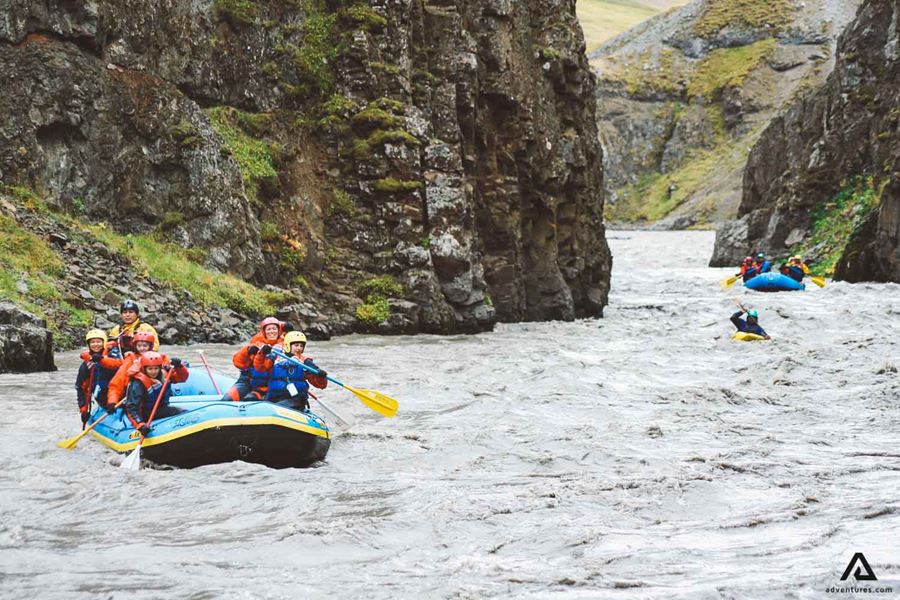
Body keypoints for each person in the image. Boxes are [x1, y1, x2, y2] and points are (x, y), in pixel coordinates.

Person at [221, 317, 291, 402]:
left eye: (274, 329)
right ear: (264, 332)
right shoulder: (257, 342)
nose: (271, 331)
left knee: (250, 399)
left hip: (266, 384)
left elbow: (264, 367)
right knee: (227, 399)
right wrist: (247, 351)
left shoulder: (283, 345)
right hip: (247, 380)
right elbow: (238, 364)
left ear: (279, 330)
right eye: (268, 329)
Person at [254, 331, 328, 411]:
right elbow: (260, 367)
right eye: (296, 345)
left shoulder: (305, 363)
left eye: (301, 346)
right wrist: (262, 354)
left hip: (296, 401)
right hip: (275, 398)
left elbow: (321, 385)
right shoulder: (275, 358)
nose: (299, 348)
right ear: (287, 345)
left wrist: (321, 377)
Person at [123, 351, 188, 435]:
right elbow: (132, 408)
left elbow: (182, 378)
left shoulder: (165, 374)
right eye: (150, 369)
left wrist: (179, 367)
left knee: (183, 412)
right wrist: (140, 425)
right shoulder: (137, 383)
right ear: (144, 369)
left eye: (156, 368)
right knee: (179, 411)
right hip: (145, 413)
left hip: (160, 407)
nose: (153, 372)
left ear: (160, 368)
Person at [74, 329, 123, 426]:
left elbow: (118, 364)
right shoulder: (86, 365)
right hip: (103, 398)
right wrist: (84, 410)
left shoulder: (114, 354)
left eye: (98, 342)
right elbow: (81, 389)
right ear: (88, 345)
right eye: (92, 342)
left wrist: (101, 360)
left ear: (104, 342)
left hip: (121, 396)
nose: (96, 344)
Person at [106, 331, 161, 408]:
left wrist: (179, 367)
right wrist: (112, 401)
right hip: (136, 397)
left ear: (150, 346)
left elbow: (176, 377)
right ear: (135, 346)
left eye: (145, 346)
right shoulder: (131, 359)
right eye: (139, 346)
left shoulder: (158, 358)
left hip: (155, 395)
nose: (142, 348)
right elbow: (117, 382)